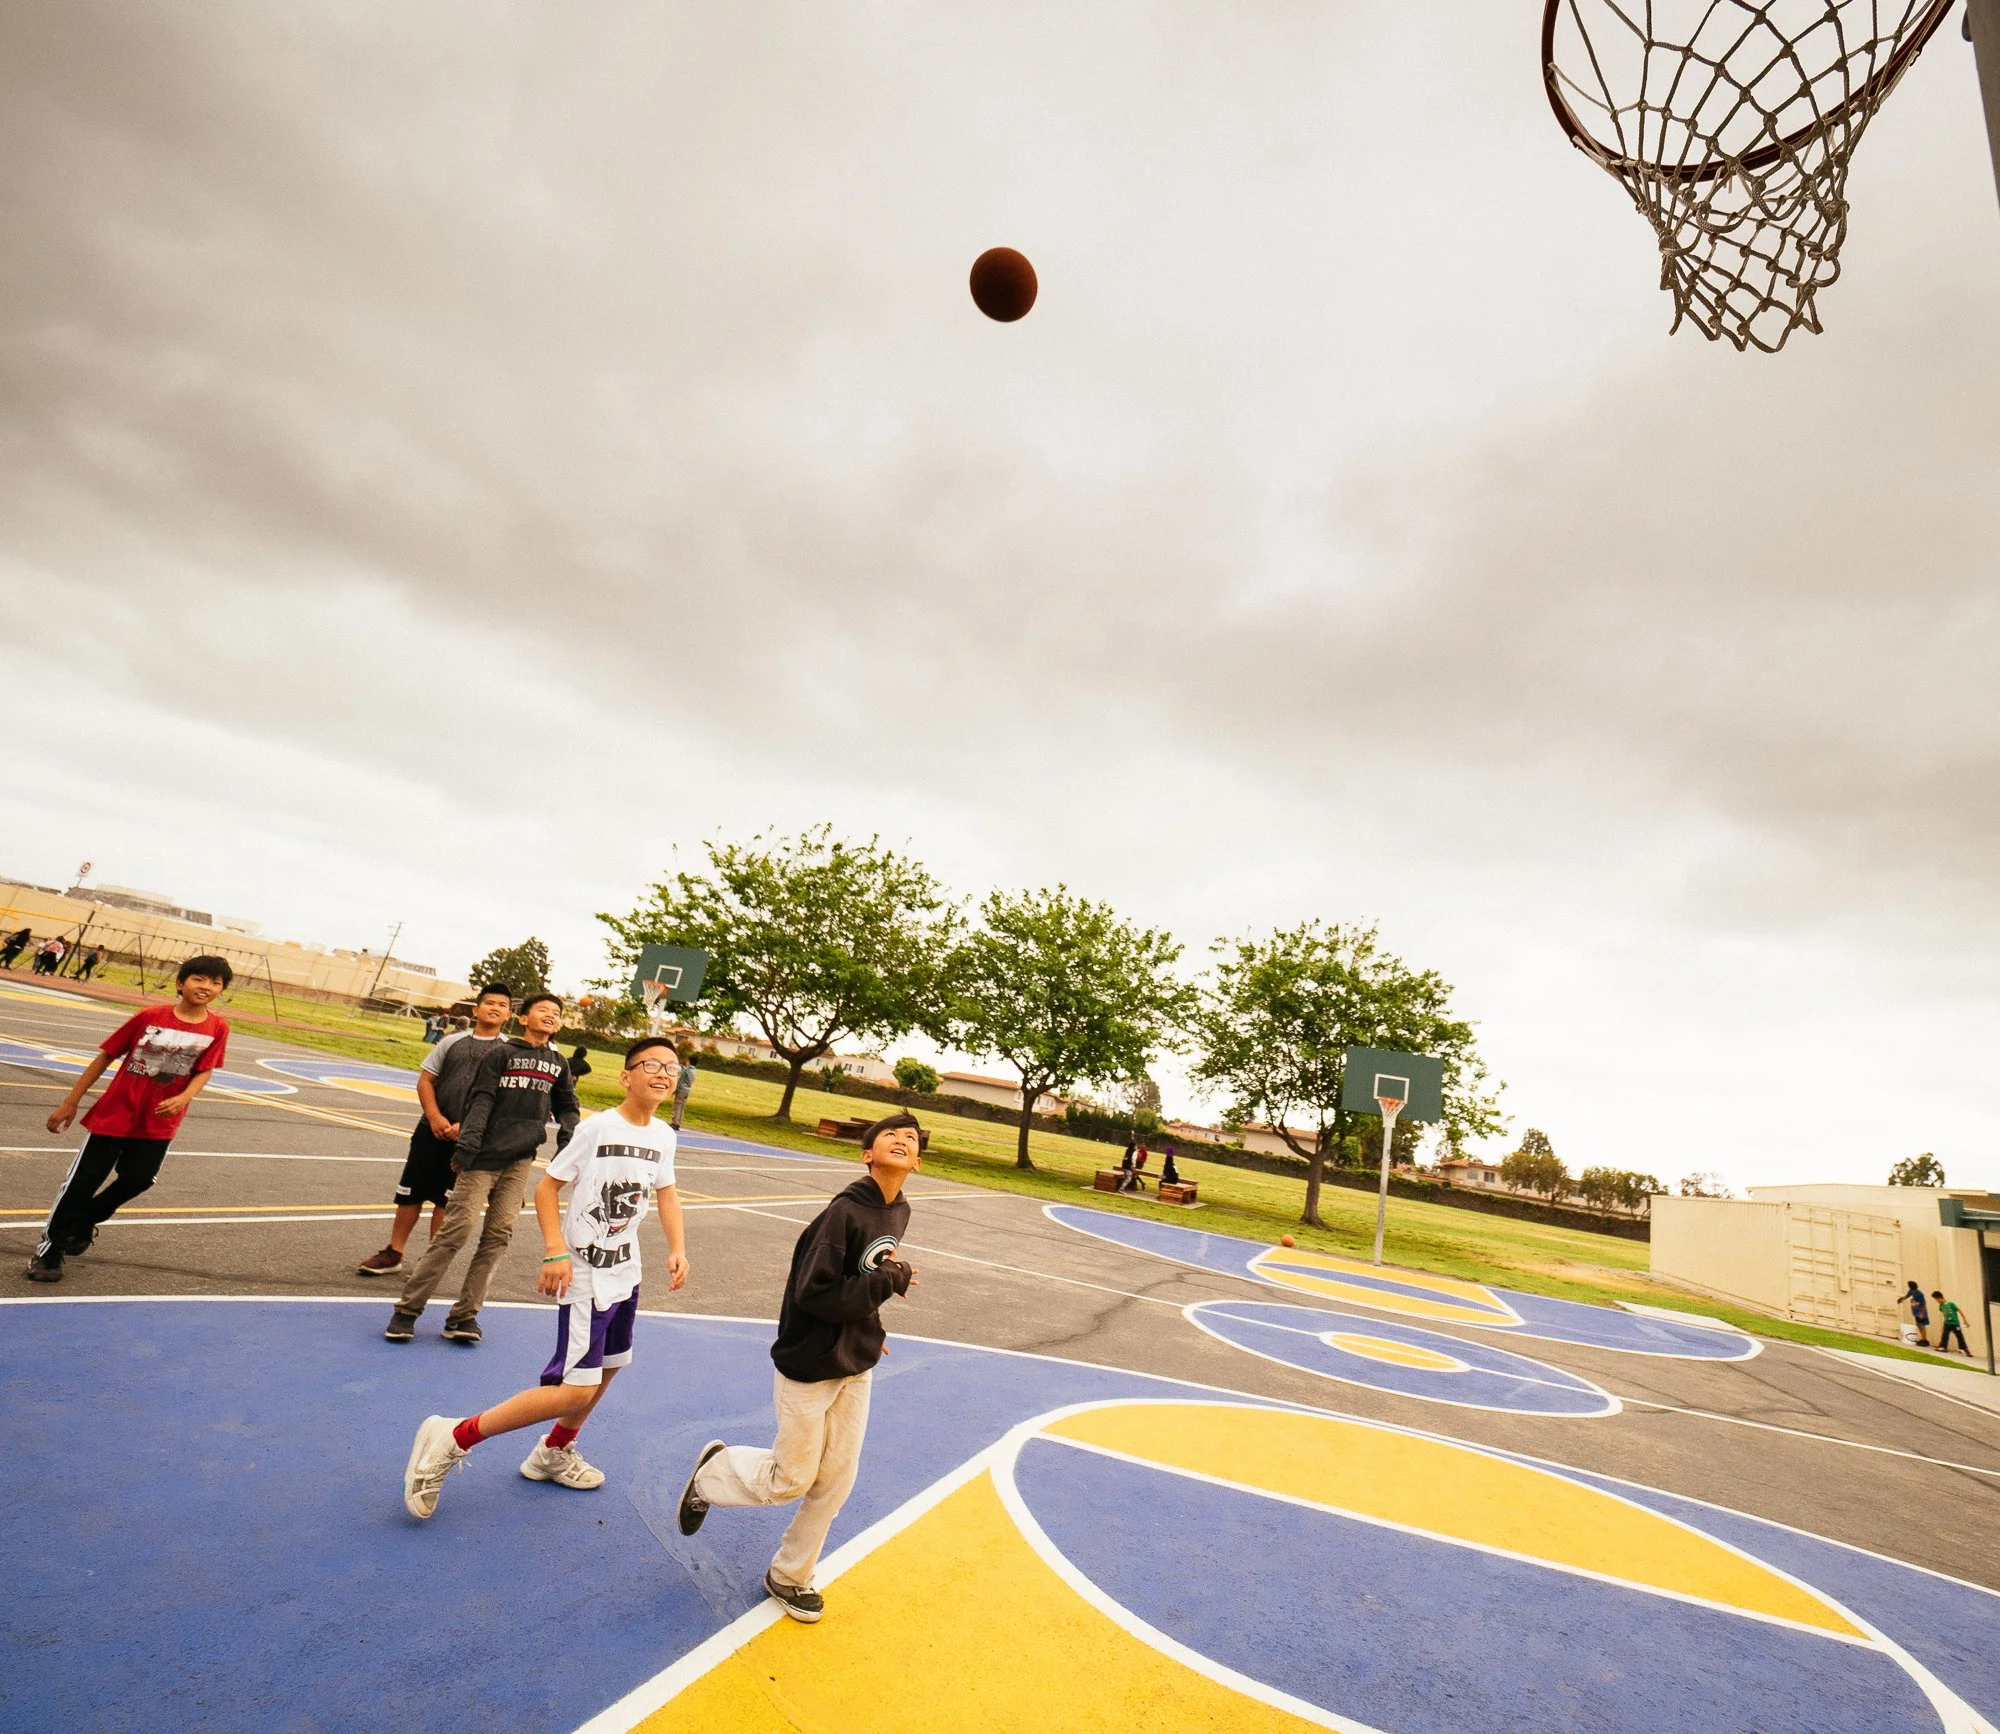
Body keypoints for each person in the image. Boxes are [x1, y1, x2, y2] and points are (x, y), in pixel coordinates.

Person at [400, 1038, 689, 1519]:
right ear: (626, 1077)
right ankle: (453, 1435)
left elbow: (667, 1192)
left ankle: (553, 1451)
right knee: (575, 1388)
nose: (664, 1073)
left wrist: (678, 1248)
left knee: (610, 1365)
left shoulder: (664, 1135)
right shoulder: (597, 1129)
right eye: (652, 1065)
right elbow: (547, 1187)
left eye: (673, 1067)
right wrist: (555, 1250)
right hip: (586, 1275)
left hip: (625, 1271)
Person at [673, 1112, 921, 1624]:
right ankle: (713, 1473)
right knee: (791, 1479)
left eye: (911, 1138)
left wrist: (868, 1329)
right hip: (809, 1363)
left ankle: (789, 1575)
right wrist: (890, 1280)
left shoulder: (899, 1210)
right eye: (889, 1135)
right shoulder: (843, 1214)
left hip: (853, 1362)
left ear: (917, 1162)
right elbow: (816, 1293)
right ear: (867, 1154)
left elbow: (863, 1279)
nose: (901, 1140)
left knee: (836, 1480)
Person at [384, 991, 579, 1345]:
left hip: (519, 1160)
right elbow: (481, 1100)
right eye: (543, 1010)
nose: (550, 1015)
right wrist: (468, 1146)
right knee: (455, 1232)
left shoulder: (559, 1064)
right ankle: (407, 1310)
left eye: (556, 1012)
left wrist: (569, 1143)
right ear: (524, 1018)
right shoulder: (501, 1054)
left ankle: (464, 1315)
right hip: (482, 1157)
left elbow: (567, 1105)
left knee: (498, 1235)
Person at [26, 956, 234, 1282]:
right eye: (198, 979)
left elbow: (204, 1070)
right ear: (180, 983)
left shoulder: (218, 1028)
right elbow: (106, 1056)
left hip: (158, 1122)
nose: (206, 986)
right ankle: (50, 1252)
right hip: (115, 1114)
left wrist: (184, 1097)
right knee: (81, 1183)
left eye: (215, 982)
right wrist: (70, 1102)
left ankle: (85, 1219)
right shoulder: (150, 1017)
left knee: (140, 1178)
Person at [355, 984, 516, 1278]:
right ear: (475, 1009)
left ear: (509, 1015)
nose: (495, 1008)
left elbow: (505, 1098)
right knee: (410, 1191)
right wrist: (434, 1117)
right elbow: (426, 1081)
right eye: (489, 1003)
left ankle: (431, 1262)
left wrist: (467, 1126)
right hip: (431, 1129)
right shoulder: (451, 1042)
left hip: (470, 1138)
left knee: (447, 1200)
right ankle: (394, 1252)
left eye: (502, 1005)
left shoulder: (509, 1052)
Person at [1934, 1290, 1970, 1356]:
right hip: (1947, 1323)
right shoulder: (1941, 1306)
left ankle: (1965, 1349)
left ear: (1939, 1298)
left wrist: (1965, 1321)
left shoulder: (1951, 1304)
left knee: (1959, 1336)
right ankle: (1943, 1347)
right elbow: (1944, 1313)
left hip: (1955, 1323)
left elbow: (1959, 1311)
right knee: (1945, 1335)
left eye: (1936, 1300)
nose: (1937, 1301)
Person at [671, 1046, 697, 1131]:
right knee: (682, 1107)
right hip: (687, 1090)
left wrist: (674, 1090)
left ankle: (674, 1122)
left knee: (677, 1106)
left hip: (681, 1090)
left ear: (689, 1061)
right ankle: (679, 1122)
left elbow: (680, 1081)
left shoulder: (686, 1070)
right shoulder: (694, 1071)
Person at [1904, 1280, 1932, 1348]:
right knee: (1918, 1325)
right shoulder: (1911, 1291)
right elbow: (1907, 1296)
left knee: (1922, 1326)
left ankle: (1924, 1340)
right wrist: (1901, 1299)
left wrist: (1922, 1313)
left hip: (1921, 1312)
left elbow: (1924, 1304)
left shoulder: (1919, 1294)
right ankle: (1922, 1338)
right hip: (1916, 1312)